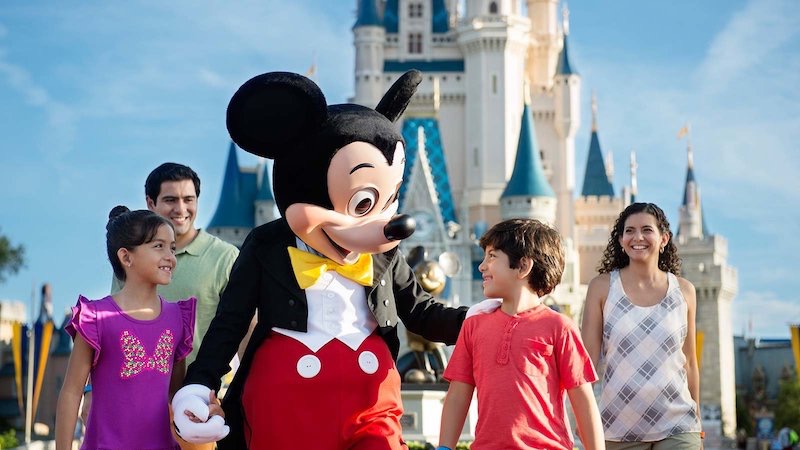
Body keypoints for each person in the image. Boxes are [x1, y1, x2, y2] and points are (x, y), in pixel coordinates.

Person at [438, 218, 604, 450]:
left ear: (524, 266)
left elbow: (584, 400)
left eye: (492, 256)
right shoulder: (473, 326)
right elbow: (458, 395)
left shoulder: (560, 327)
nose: (482, 266)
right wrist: (444, 447)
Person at [55, 206, 199, 450]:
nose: (170, 256)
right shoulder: (96, 317)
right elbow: (71, 393)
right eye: (158, 246)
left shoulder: (178, 318)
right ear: (126, 257)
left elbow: (176, 396)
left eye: (172, 248)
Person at [581, 202, 703, 449]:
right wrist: (584, 417)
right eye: (629, 231)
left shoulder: (685, 291)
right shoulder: (601, 287)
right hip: (617, 426)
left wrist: (696, 419)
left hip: (678, 424)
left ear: (664, 238)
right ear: (621, 240)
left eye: (647, 230)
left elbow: (689, 361)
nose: (638, 237)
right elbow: (587, 362)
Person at [112, 162, 240, 365]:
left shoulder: (226, 257)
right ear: (151, 203)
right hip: (139, 387)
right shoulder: (133, 256)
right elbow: (115, 326)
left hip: (202, 390)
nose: (181, 209)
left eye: (188, 199)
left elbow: (244, 327)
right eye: (170, 200)